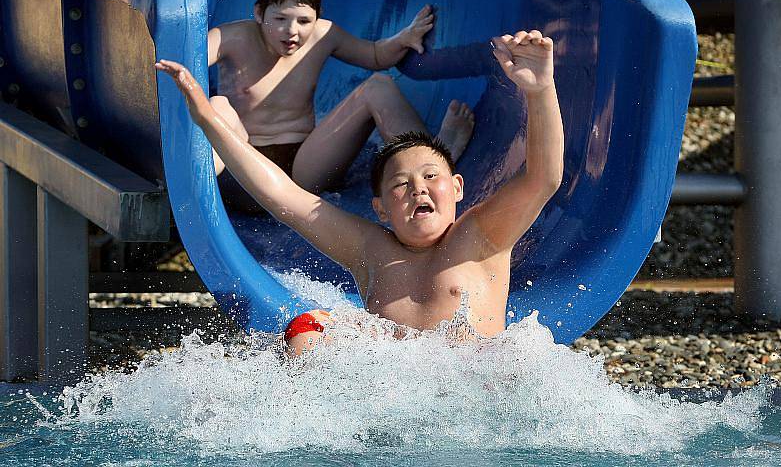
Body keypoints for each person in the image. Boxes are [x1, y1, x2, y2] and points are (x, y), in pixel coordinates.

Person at [156, 28, 564, 356]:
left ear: (457, 188)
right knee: (309, 327)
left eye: (430, 177)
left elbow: (543, 178)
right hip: (390, 400)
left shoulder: (483, 236)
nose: (417, 188)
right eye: (401, 184)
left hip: (473, 396)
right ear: (382, 209)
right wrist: (208, 121)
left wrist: (540, 89)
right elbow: (284, 198)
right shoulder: (369, 249)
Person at [209, 0, 475, 211]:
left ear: (317, 18)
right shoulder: (230, 38)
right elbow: (182, 63)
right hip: (244, 166)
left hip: (304, 168)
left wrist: (403, 39)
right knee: (217, 105)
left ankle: (434, 157)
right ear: (259, 13)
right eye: (280, 18)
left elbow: (372, 55)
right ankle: (199, 182)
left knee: (378, 86)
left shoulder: (323, 35)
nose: (291, 31)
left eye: (303, 21)